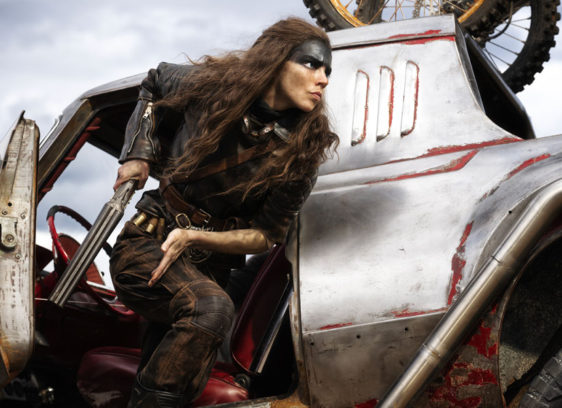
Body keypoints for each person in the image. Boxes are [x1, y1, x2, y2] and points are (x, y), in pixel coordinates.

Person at [110, 17, 338, 408]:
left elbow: (267, 235)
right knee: (211, 309)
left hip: (208, 266)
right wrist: (137, 152)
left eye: (328, 70)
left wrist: (196, 237)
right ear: (277, 60)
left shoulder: (305, 148)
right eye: (312, 64)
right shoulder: (211, 87)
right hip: (150, 243)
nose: (323, 79)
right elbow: (154, 80)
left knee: (180, 377)